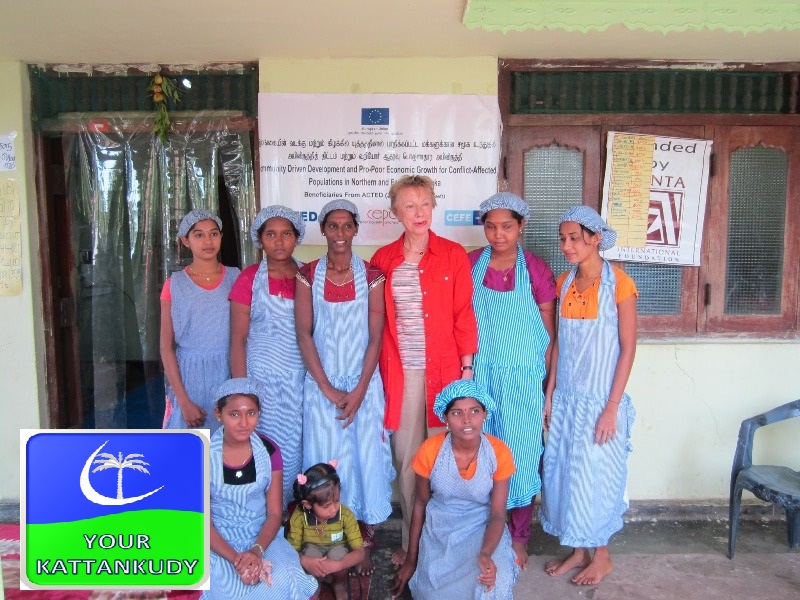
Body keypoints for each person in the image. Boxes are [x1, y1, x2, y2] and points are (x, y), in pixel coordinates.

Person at [371, 175, 478, 565]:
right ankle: (409, 545)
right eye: (409, 206)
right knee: (408, 460)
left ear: (434, 206)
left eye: (425, 204)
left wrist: (467, 368)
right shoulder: (384, 259)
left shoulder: (452, 254)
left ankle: (446, 547)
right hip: (401, 374)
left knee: (448, 459)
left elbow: (463, 313)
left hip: (445, 372)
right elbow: (375, 320)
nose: (419, 213)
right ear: (395, 212)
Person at [295, 199, 394, 575]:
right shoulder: (307, 274)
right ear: (323, 230)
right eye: (332, 226)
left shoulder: (373, 275)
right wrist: (327, 388)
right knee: (325, 462)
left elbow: (375, 336)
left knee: (365, 460)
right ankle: (326, 543)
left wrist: (359, 391)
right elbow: (304, 334)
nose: (340, 233)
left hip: (362, 384)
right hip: (322, 388)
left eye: (346, 226)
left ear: (355, 230)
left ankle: (362, 543)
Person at [540, 205, 637, 586]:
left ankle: (602, 557)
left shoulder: (620, 285)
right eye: (563, 239)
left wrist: (611, 408)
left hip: (600, 401)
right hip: (567, 399)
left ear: (596, 238)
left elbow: (628, 348)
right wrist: (550, 395)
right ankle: (578, 551)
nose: (566, 245)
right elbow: (559, 345)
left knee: (596, 477)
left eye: (574, 238)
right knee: (566, 475)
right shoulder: (563, 282)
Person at [468, 192, 556, 569]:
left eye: (506, 226)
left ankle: (519, 537)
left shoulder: (535, 270)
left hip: (523, 379)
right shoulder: (471, 264)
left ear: (521, 226)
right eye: (491, 227)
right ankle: (486, 532)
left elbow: (548, 335)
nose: (498, 234)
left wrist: (547, 387)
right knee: (481, 454)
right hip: (481, 375)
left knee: (522, 454)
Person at [391, 379, 519, 600]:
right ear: (445, 418)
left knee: (491, 584)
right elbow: (421, 503)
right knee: (431, 593)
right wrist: (412, 560)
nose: (467, 419)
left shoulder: (499, 452)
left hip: (482, 526)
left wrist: (486, 553)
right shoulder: (430, 450)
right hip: (440, 527)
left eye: (474, 411)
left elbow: (498, 514)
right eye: (457, 413)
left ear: (485, 414)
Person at [206, 377, 318, 599]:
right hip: (217, 540)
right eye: (234, 414)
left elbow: (275, 513)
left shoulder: (269, 451)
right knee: (227, 591)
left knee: (285, 577)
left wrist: (256, 551)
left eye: (251, 413)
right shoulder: (202, 452)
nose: (244, 422)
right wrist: (238, 560)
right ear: (219, 414)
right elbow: (203, 524)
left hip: (262, 536)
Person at [229, 205, 306, 508]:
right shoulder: (250, 278)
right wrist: (241, 391)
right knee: (262, 447)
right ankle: (261, 513)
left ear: (296, 237)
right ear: (259, 239)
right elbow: (237, 340)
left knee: (296, 447)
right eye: (271, 234)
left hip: (299, 381)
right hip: (259, 383)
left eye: (286, 233)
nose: (279, 241)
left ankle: (290, 514)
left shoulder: (309, 275)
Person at [161, 209, 240, 432]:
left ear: (221, 237)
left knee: (226, 443)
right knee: (189, 445)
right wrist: (184, 401)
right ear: (185, 241)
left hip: (228, 372)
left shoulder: (236, 277)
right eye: (199, 235)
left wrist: (240, 386)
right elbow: (166, 347)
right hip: (188, 378)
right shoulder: (174, 284)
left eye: (214, 234)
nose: (208, 241)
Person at [287, 462, 366, 600]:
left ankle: (339, 583)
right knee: (309, 553)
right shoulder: (299, 517)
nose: (334, 509)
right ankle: (313, 584)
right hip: (312, 556)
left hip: (336, 556)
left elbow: (360, 553)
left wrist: (339, 565)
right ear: (308, 504)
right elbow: (290, 552)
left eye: (337, 501)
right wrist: (305, 561)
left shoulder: (345, 515)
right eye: (326, 506)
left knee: (338, 553)